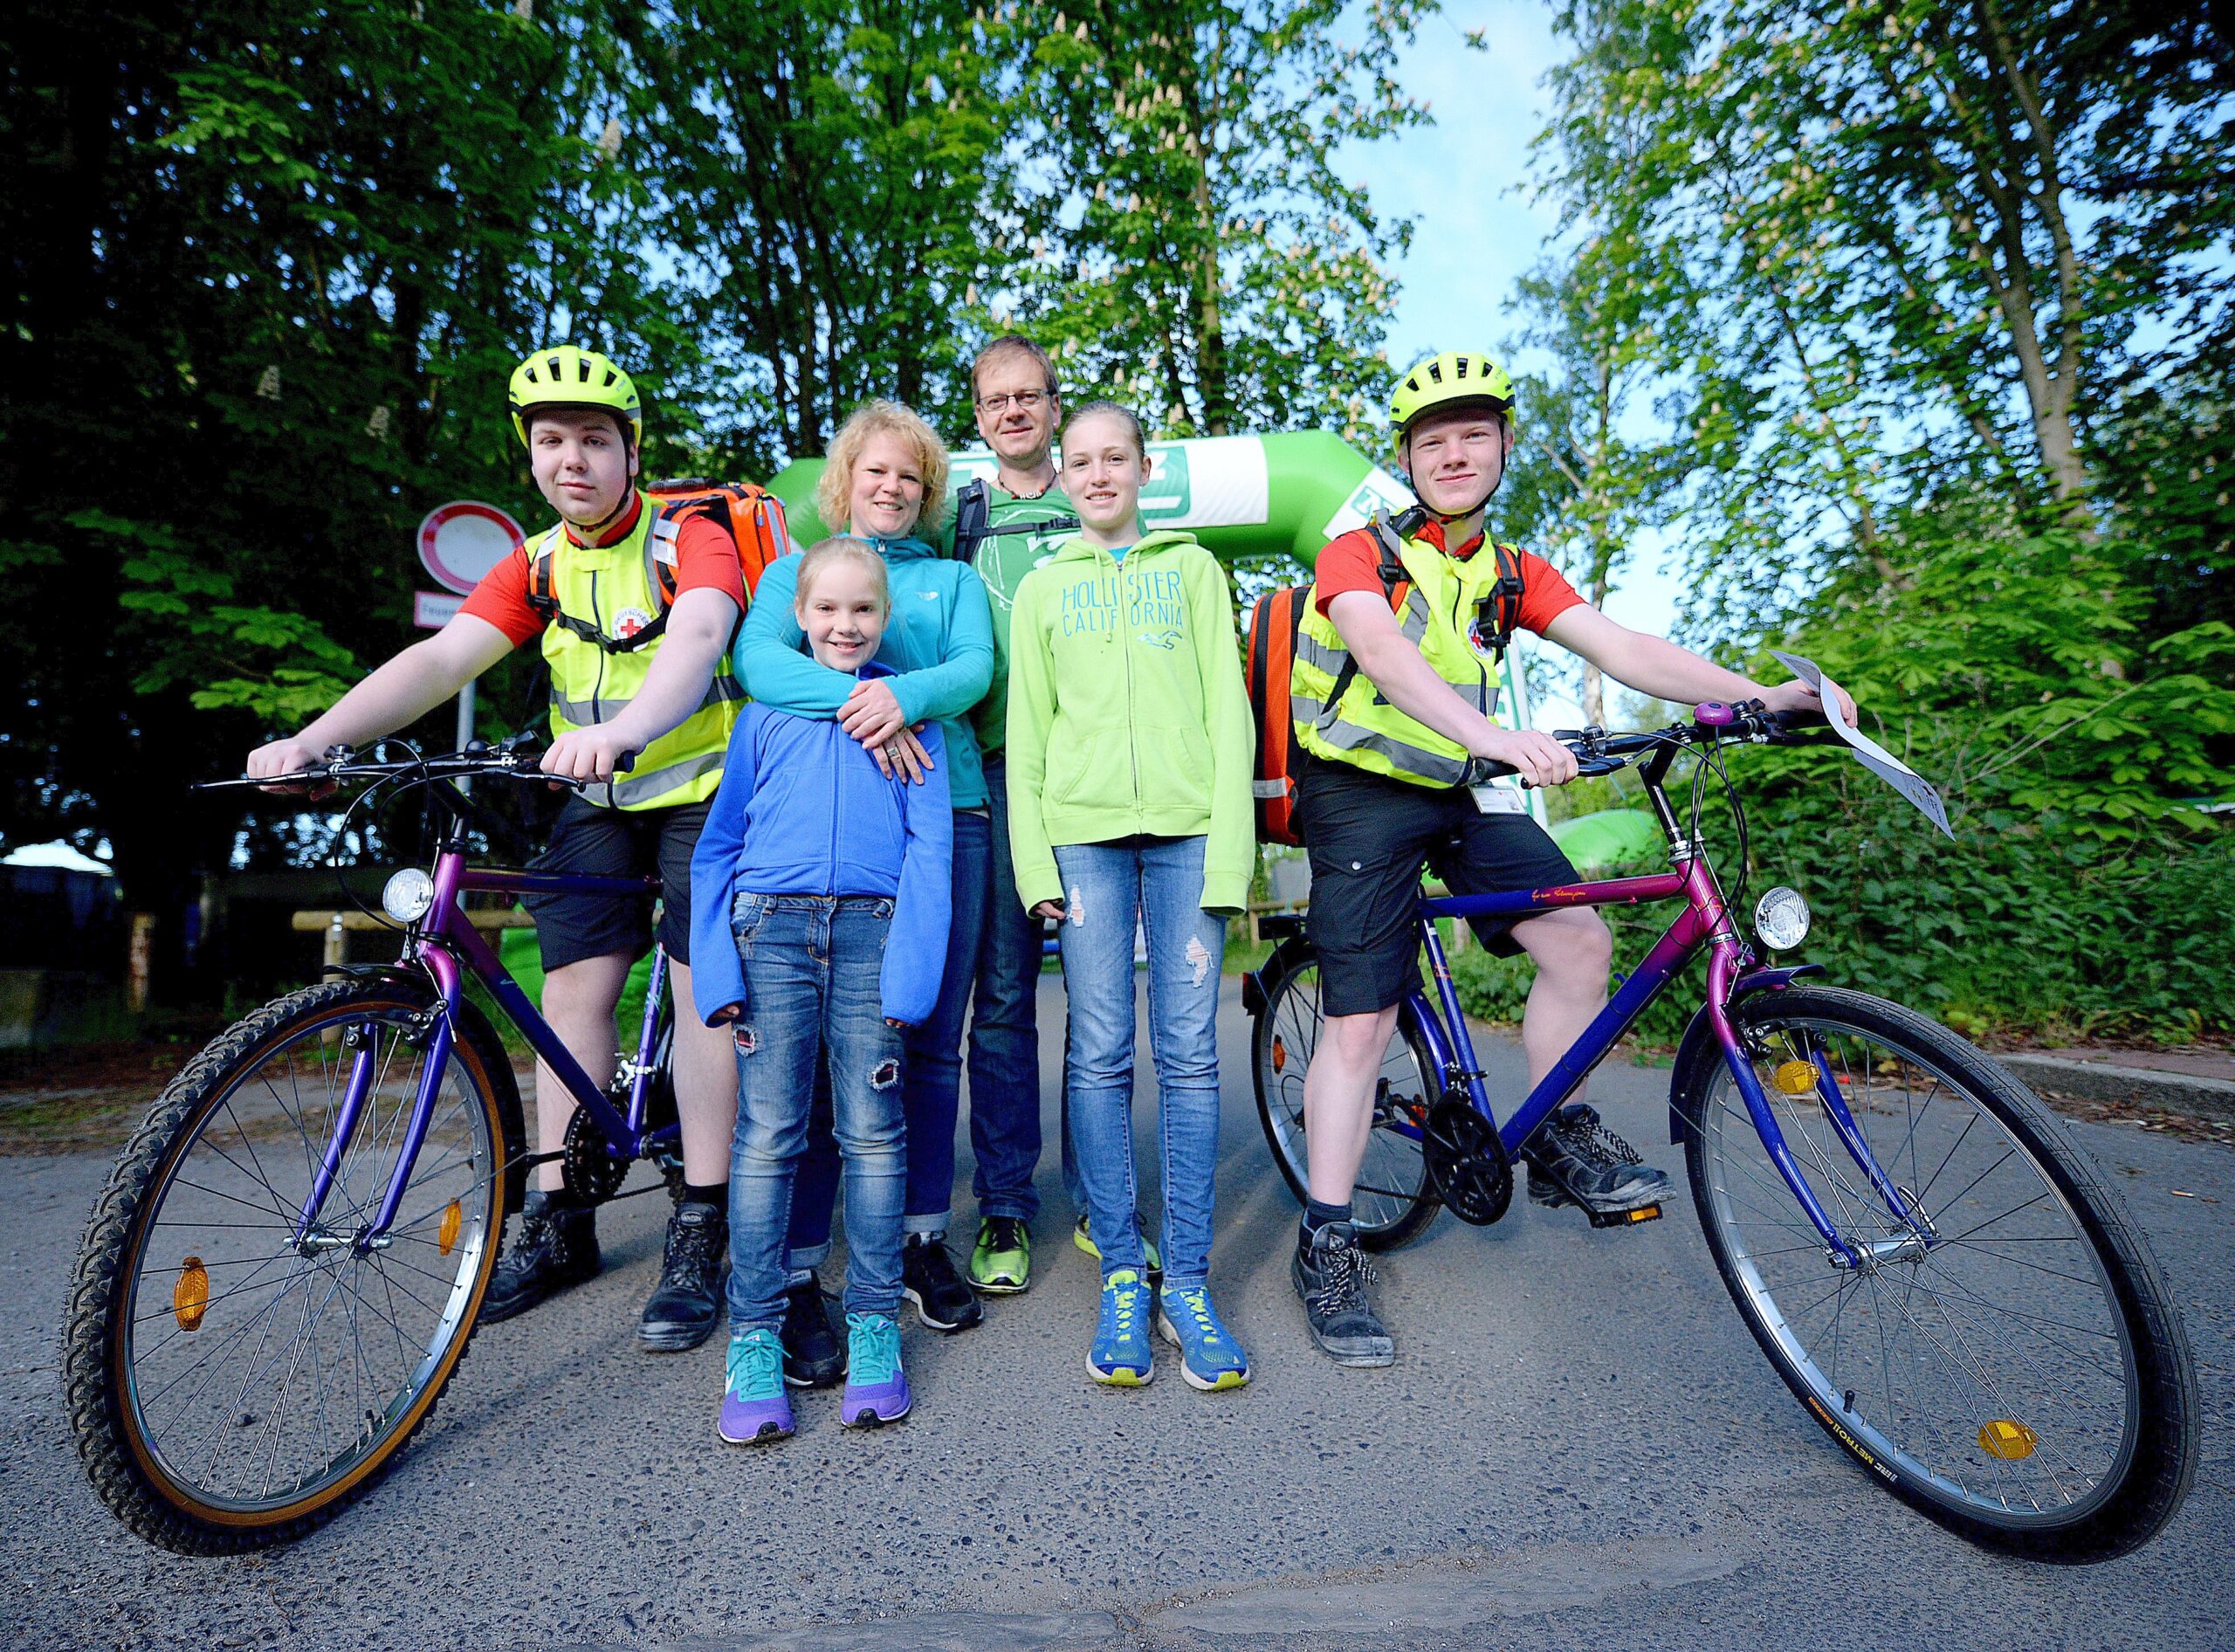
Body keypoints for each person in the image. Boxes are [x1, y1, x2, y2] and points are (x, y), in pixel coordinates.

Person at [1286, 350, 1854, 1368]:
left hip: (1458, 782)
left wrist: (1764, 694)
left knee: (1579, 938)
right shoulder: (1354, 551)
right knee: (1361, 1019)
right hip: (1362, 787)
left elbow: (1625, 647)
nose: (1453, 453)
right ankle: (1327, 1235)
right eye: (1431, 440)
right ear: (1406, 459)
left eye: (1472, 435)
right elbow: (1381, 652)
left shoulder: (1511, 569)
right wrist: (1492, 736)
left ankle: (1554, 1128)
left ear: (1502, 445)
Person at [246, 345, 746, 1350]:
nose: (574, 460)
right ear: (529, 455)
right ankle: (561, 1215)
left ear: (631, 450)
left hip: (704, 785)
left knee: (701, 992)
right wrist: (317, 739)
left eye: (595, 440)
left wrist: (628, 728)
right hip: (597, 793)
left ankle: (702, 1216)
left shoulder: (687, 535)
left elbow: (696, 638)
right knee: (570, 993)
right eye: (551, 441)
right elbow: (440, 658)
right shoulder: (536, 561)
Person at [736, 400, 996, 1379]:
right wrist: (863, 702)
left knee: (925, 1040)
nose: (890, 488)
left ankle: (918, 1239)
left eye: (910, 477)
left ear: (927, 493)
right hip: (814, 852)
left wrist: (908, 695)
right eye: (874, 471)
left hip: (947, 815)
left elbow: (975, 669)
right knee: (804, 1074)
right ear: (843, 479)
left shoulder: (951, 580)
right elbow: (759, 662)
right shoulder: (788, 575)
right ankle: (800, 1275)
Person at [1005, 400, 1256, 1392]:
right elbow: (1027, 734)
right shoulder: (1041, 590)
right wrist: (1034, 868)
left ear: (1146, 469)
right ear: (1061, 476)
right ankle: (1121, 1269)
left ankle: (1186, 1280)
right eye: (1081, 460)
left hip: (1192, 837)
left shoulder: (1193, 570)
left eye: (1116, 457)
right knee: (1100, 1052)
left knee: (1189, 1055)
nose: (1099, 473)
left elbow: (1226, 717)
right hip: (1082, 841)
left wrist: (1231, 862)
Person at [691, 539, 953, 1441]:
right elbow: (717, 847)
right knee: (767, 1134)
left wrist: (912, 971)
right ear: (799, 615)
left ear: (886, 618)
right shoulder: (764, 714)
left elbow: (933, 847)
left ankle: (874, 1325)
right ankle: (754, 1335)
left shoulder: (914, 719)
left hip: (875, 938)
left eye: (864, 611)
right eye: (829, 610)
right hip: (770, 933)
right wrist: (716, 970)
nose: (846, 626)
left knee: (873, 1133)